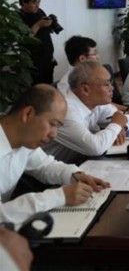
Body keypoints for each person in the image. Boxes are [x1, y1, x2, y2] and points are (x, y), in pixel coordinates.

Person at [0, 85, 109, 226]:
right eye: (52, 124)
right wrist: (59, 196)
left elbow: (44, 165)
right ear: (28, 114)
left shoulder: (24, 139)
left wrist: (74, 174)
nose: (54, 134)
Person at [44, 61, 129, 163]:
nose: (112, 88)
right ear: (85, 89)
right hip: (49, 169)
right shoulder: (65, 111)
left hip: (78, 161)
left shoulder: (96, 102)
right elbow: (95, 148)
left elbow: (126, 117)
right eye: (106, 84)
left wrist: (121, 127)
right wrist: (116, 125)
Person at [18, 0, 57, 84]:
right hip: (32, 63)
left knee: (48, 88)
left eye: (39, 2)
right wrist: (38, 24)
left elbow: (45, 33)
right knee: (35, 89)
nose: (37, 5)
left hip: (47, 60)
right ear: (24, 2)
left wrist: (50, 23)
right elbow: (24, 39)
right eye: (34, 2)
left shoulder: (40, 11)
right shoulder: (18, 16)